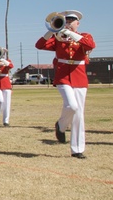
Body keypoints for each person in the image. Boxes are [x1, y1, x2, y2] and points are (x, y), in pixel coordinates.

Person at [35, 10, 96, 159]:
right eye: (66, 21)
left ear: (78, 23)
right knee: (72, 106)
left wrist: (72, 35)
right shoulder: (58, 38)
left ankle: (77, 149)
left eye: (71, 21)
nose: (68, 24)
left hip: (79, 75)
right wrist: (51, 30)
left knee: (79, 113)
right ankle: (61, 126)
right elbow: (39, 45)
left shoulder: (85, 36)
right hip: (63, 75)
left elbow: (90, 45)